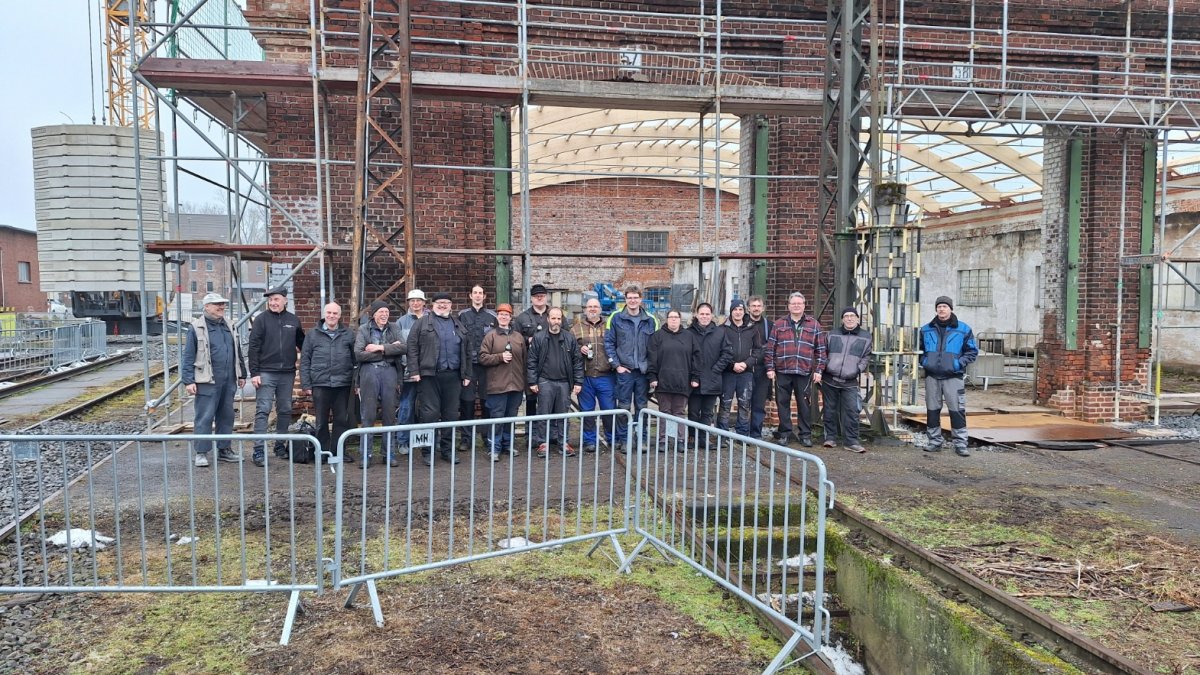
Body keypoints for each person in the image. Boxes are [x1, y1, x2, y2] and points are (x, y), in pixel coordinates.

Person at [407, 292, 473, 465]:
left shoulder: (458, 324)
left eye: (446, 302)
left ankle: (447, 450)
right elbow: (412, 347)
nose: (443, 305)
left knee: (451, 415)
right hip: (429, 376)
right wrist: (414, 370)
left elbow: (467, 349)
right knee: (429, 414)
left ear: (451, 305)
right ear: (433, 304)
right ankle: (427, 451)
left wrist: (467, 374)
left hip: (453, 376)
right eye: (439, 302)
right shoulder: (422, 323)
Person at [182, 293, 246, 467]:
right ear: (206, 307)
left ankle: (224, 450)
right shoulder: (196, 327)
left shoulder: (229, 325)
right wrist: (188, 380)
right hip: (207, 380)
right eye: (217, 304)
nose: (221, 307)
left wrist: (242, 374)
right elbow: (188, 356)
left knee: (226, 416)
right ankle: (201, 452)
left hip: (228, 379)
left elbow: (237, 351)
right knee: (204, 416)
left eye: (223, 304)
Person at [248, 287, 304, 467]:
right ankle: (258, 450)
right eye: (270, 300)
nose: (273, 303)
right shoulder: (261, 320)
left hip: (287, 373)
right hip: (266, 372)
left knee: (285, 410)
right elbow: (253, 347)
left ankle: (280, 446)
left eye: (276, 299)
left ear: (285, 300)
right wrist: (254, 373)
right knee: (263, 410)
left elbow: (303, 344)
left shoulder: (293, 320)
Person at [764, 292, 827, 448]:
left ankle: (805, 434)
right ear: (789, 306)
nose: (796, 306)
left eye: (799, 303)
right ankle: (784, 434)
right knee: (782, 403)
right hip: (782, 371)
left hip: (804, 371)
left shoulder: (814, 325)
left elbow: (821, 350)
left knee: (804, 404)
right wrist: (770, 368)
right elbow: (770, 349)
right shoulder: (779, 324)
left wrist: (819, 370)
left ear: (804, 305)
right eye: (793, 303)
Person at [920, 296, 978, 457]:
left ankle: (960, 443)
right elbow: (919, 350)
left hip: (953, 377)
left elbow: (972, 351)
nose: (942, 309)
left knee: (957, 410)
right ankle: (934, 441)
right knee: (932, 410)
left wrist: (957, 364)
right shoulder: (925, 330)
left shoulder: (963, 329)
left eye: (945, 306)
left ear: (950, 309)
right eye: (939, 306)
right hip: (932, 376)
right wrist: (925, 362)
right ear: (936, 309)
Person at [300, 302, 356, 461]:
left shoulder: (348, 334)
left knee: (341, 420)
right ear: (324, 314)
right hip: (320, 383)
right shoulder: (312, 334)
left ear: (340, 315)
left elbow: (355, 360)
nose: (332, 316)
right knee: (321, 421)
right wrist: (306, 384)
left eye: (335, 313)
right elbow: (305, 360)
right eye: (329, 313)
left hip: (342, 384)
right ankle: (323, 453)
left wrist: (355, 382)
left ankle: (338, 452)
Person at [604, 285, 659, 446]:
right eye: (630, 298)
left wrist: (651, 370)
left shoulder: (651, 320)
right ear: (625, 299)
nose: (633, 301)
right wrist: (617, 366)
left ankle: (642, 439)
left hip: (643, 372)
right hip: (624, 371)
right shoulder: (615, 318)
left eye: (636, 297)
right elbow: (608, 343)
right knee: (624, 407)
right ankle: (624, 439)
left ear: (641, 299)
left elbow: (656, 347)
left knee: (642, 408)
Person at [527, 307, 584, 458]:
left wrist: (578, 382)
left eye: (559, 318)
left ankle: (563, 443)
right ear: (548, 319)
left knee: (563, 415)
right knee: (543, 414)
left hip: (564, 383)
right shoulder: (539, 337)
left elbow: (577, 361)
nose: (556, 321)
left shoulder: (569, 338)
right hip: (545, 381)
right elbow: (531, 361)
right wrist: (532, 381)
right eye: (553, 318)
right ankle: (543, 443)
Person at [354, 300, 405, 467]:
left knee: (389, 415)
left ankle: (388, 453)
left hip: (390, 372)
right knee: (368, 415)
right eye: (381, 312)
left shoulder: (394, 328)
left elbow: (403, 348)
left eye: (387, 312)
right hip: (369, 373)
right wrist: (389, 350)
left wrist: (379, 348)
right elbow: (359, 354)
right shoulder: (364, 329)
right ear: (373, 314)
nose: (384, 315)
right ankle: (366, 454)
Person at [478, 303, 526, 461]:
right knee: (497, 419)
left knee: (511, 418)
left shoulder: (518, 337)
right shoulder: (490, 336)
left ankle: (508, 445)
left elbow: (525, 361)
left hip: (516, 385)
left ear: (511, 317)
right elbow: (482, 357)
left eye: (506, 314)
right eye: (501, 314)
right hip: (497, 386)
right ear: (497, 317)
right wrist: (499, 357)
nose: (503, 317)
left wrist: (524, 383)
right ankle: (494, 448)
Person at [822, 307, 872, 453]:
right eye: (846, 316)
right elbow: (823, 352)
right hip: (830, 379)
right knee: (829, 410)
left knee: (852, 411)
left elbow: (866, 356)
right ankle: (830, 438)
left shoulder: (866, 336)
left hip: (850, 380)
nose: (849, 318)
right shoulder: (832, 334)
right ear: (842, 319)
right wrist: (825, 366)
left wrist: (858, 369)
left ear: (857, 318)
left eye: (852, 316)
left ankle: (851, 441)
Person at [647, 309, 699, 447]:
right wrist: (652, 376)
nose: (674, 319)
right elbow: (652, 358)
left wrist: (695, 377)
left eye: (676, 317)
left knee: (679, 412)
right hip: (663, 382)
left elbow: (696, 358)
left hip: (683, 381)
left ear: (680, 319)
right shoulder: (657, 336)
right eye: (671, 317)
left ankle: (680, 440)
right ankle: (663, 440)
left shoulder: (689, 336)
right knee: (664, 412)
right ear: (667, 319)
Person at [570, 298, 615, 453]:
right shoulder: (575, 329)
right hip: (585, 376)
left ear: (600, 309)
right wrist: (579, 349)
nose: (593, 309)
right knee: (587, 412)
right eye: (590, 306)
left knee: (609, 410)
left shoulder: (609, 327)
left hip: (606, 375)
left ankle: (611, 437)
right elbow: (569, 349)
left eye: (595, 306)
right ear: (585, 309)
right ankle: (590, 440)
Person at [718, 299, 763, 435]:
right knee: (725, 404)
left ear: (744, 311)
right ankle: (723, 435)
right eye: (735, 310)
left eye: (740, 310)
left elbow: (758, 350)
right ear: (731, 311)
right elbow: (719, 351)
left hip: (746, 372)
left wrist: (746, 363)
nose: (738, 312)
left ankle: (742, 435)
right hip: (727, 372)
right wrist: (732, 364)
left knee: (744, 404)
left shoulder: (752, 328)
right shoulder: (722, 329)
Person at [687, 302, 732, 430]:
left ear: (712, 315)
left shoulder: (720, 333)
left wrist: (716, 370)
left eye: (707, 314)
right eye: (702, 314)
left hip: (712, 379)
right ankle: (692, 437)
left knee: (707, 414)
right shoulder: (688, 333)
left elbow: (727, 353)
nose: (704, 316)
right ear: (696, 315)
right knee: (693, 412)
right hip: (694, 380)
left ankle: (703, 438)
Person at [393, 289, 427, 456]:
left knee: (428, 408)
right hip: (408, 372)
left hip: (428, 371)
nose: (415, 303)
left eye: (418, 300)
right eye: (412, 300)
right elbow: (399, 346)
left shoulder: (430, 320)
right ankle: (403, 441)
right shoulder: (401, 322)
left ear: (424, 302)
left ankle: (427, 441)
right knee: (406, 407)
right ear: (408, 303)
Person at [458, 285, 497, 426]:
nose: (478, 295)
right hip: (469, 364)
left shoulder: (492, 316)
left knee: (486, 397)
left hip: (487, 364)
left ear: (484, 296)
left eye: (480, 293)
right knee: (467, 398)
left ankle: (486, 433)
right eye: (475, 293)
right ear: (470, 296)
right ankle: (466, 435)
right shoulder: (462, 315)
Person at [514, 283, 552, 419]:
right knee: (531, 400)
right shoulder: (522, 318)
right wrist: (527, 340)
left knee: (550, 400)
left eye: (542, 296)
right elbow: (514, 338)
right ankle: (530, 430)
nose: (539, 298)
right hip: (531, 365)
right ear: (531, 298)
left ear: (546, 297)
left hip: (551, 365)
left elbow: (566, 335)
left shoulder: (555, 315)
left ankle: (548, 430)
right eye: (536, 296)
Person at [745, 296, 773, 439]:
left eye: (758, 306)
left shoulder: (770, 325)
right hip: (745, 369)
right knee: (744, 403)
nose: (756, 308)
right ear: (748, 308)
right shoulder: (742, 323)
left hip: (762, 370)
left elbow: (773, 347)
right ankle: (742, 433)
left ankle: (755, 434)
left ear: (763, 308)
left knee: (758, 404)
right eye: (753, 306)